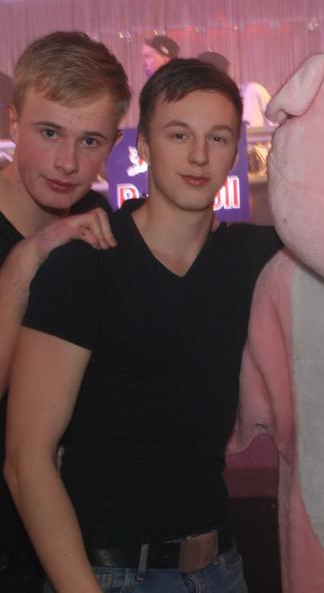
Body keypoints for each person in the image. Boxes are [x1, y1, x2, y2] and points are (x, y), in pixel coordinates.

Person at [4, 58, 281, 593]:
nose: (199, 155)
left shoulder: (254, 258)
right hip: (110, 573)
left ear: (235, 152)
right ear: (143, 148)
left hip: (223, 568)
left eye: (217, 138)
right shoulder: (85, 263)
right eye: (178, 135)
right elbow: (27, 459)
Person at [0, 30, 130, 592]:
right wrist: (28, 258)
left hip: (78, 539)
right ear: (13, 122)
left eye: (90, 140)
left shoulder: (98, 218)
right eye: (49, 132)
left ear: (115, 143)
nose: (67, 163)